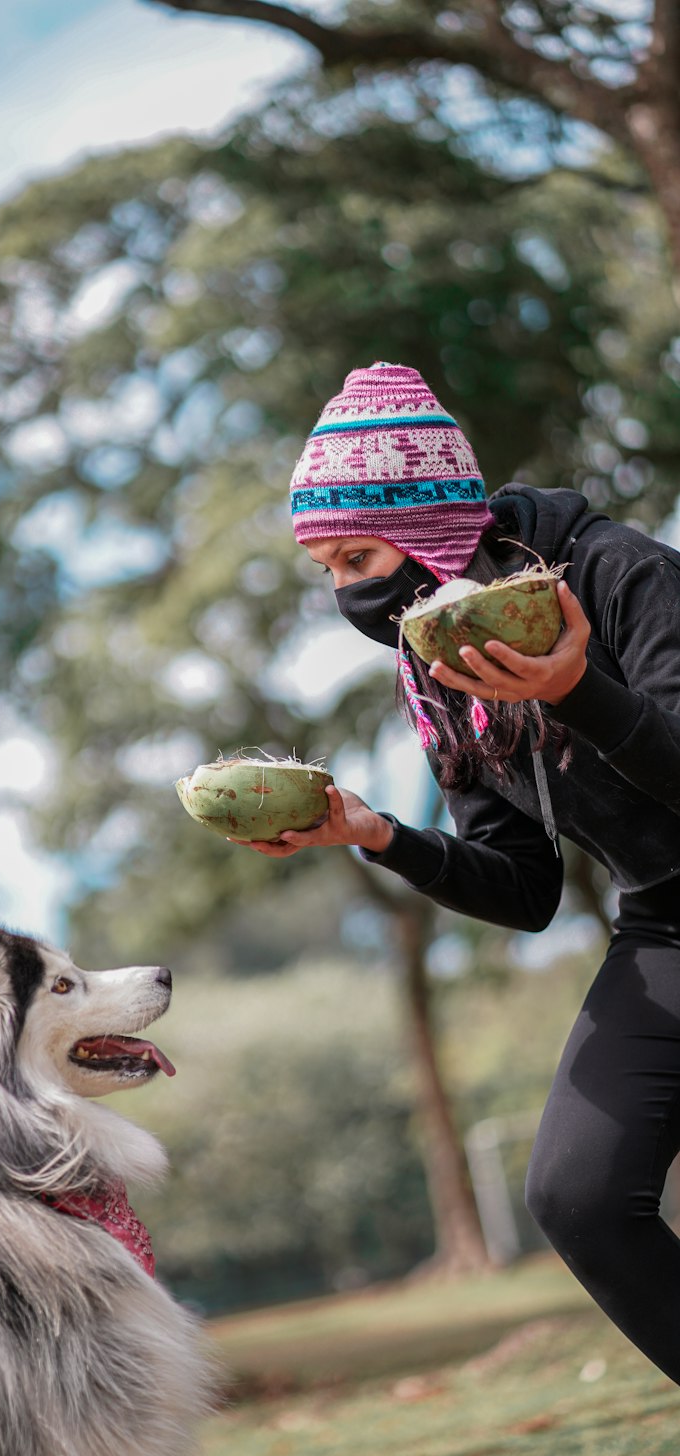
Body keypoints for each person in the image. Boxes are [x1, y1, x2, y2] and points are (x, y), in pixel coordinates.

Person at [234, 360, 680, 1385]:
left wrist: (577, 691)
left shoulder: (618, 576)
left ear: (430, 523)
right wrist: (373, 832)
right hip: (664, 919)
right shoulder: (434, 670)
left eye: (357, 554)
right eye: (330, 570)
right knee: (577, 1194)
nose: (348, 592)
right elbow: (524, 890)